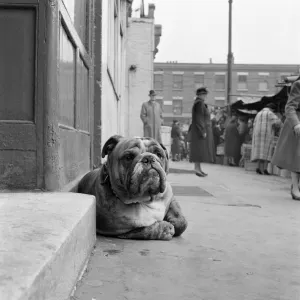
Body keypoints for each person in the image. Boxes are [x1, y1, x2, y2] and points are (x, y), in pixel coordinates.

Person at [271, 79, 300, 200]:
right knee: (296, 156)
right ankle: (295, 187)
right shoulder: (298, 84)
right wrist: (296, 124)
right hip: (297, 122)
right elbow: (290, 107)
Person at [189, 87, 215, 177]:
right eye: (203, 94)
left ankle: (198, 168)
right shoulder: (199, 104)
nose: (205, 96)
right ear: (199, 95)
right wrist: (202, 130)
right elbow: (199, 118)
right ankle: (197, 169)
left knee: (199, 151)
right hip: (200, 130)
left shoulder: (200, 103)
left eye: (205, 94)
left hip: (199, 130)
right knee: (199, 150)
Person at [251, 103, 281, 175]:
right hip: (267, 134)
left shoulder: (259, 113)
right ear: (272, 109)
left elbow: (254, 124)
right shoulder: (270, 113)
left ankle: (258, 168)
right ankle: (265, 169)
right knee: (266, 151)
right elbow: (278, 122)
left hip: (257, 134)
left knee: (259, 151)